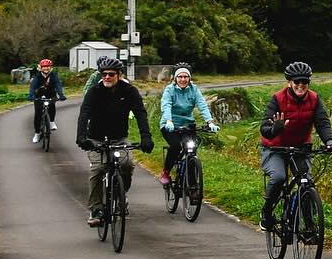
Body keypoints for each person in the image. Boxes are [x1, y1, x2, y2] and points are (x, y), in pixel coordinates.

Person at [259, 61, 332, 231]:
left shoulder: (314, 99)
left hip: (300, 148)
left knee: (306, 184)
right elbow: (264, 129)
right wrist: (275, 128)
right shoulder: (278, 99)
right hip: (276, 148)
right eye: (297, 82)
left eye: (304, 82)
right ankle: (266, 212)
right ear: (289, 82)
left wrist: (330, 141)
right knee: (279, 177)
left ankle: (309, 228)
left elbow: (322, 123)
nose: (301, 86)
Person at [76, 58, 154, 227]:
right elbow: (84, 114)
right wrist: (81, 137)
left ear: (119, 75)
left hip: (119, 138)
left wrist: (146, 137)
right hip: (96, 139)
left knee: (126, 164)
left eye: (111, 74)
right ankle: (96, 209)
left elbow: (140, 113)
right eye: (104, 74)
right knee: (98, 169)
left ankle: (120, 194)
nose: (107, 77)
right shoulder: (94, 92)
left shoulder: (129, 91)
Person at [158, 62, 219, 185]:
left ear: (189, 78)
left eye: (185, 77)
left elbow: (202, 105)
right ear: (175, 78)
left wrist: (210, 122)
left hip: (187, 125)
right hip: (170, 125)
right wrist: (169, 120)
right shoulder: (170, 90)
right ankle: (166, 172)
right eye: (180, 77)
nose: (183, 79)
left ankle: (192, 186)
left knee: (191, 152)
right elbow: (166, 106)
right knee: (175, 147)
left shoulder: (194, 89)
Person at [27, 58, 67, 143]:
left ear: (51, 67)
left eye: (48, 66)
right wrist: (31, 95)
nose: (46, 68)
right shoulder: (37, 76)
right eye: (44, 67)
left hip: (50, 94)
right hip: (39, 96)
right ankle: (37, 133)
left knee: (52, 106)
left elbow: (58, 85)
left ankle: (52, 121)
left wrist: (61, 95)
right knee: (38, 114)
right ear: (41, 68)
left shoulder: (54, 75)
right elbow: (33, 87)